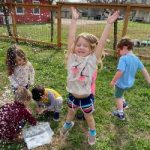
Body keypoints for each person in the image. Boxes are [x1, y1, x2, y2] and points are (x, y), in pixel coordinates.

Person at [60, 7, 119, 145]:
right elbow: (70, 38)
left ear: (92, 49)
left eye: (85, 46)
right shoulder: (71, 58)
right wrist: (74, 20)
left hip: (86, 97)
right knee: (70, 113)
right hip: (72, 95)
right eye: (78, 45)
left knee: (88, 117)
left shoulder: (92, 61)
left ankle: (92, 132)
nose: (80, 47)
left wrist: (108, 24)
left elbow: (102, 43)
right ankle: (68, 124)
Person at [110, 38, 150, 120]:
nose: (119, 53)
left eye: (119, 50)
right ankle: (124, 103)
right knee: (120, 92)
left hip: (121, 84)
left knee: (118, 97)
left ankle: (120, 114)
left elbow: (120, 71)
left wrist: (113, 81)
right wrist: (149, 81)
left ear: (124, 48)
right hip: (129, 83)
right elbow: (144, 70)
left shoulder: (123, 58)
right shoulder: (136, 58)